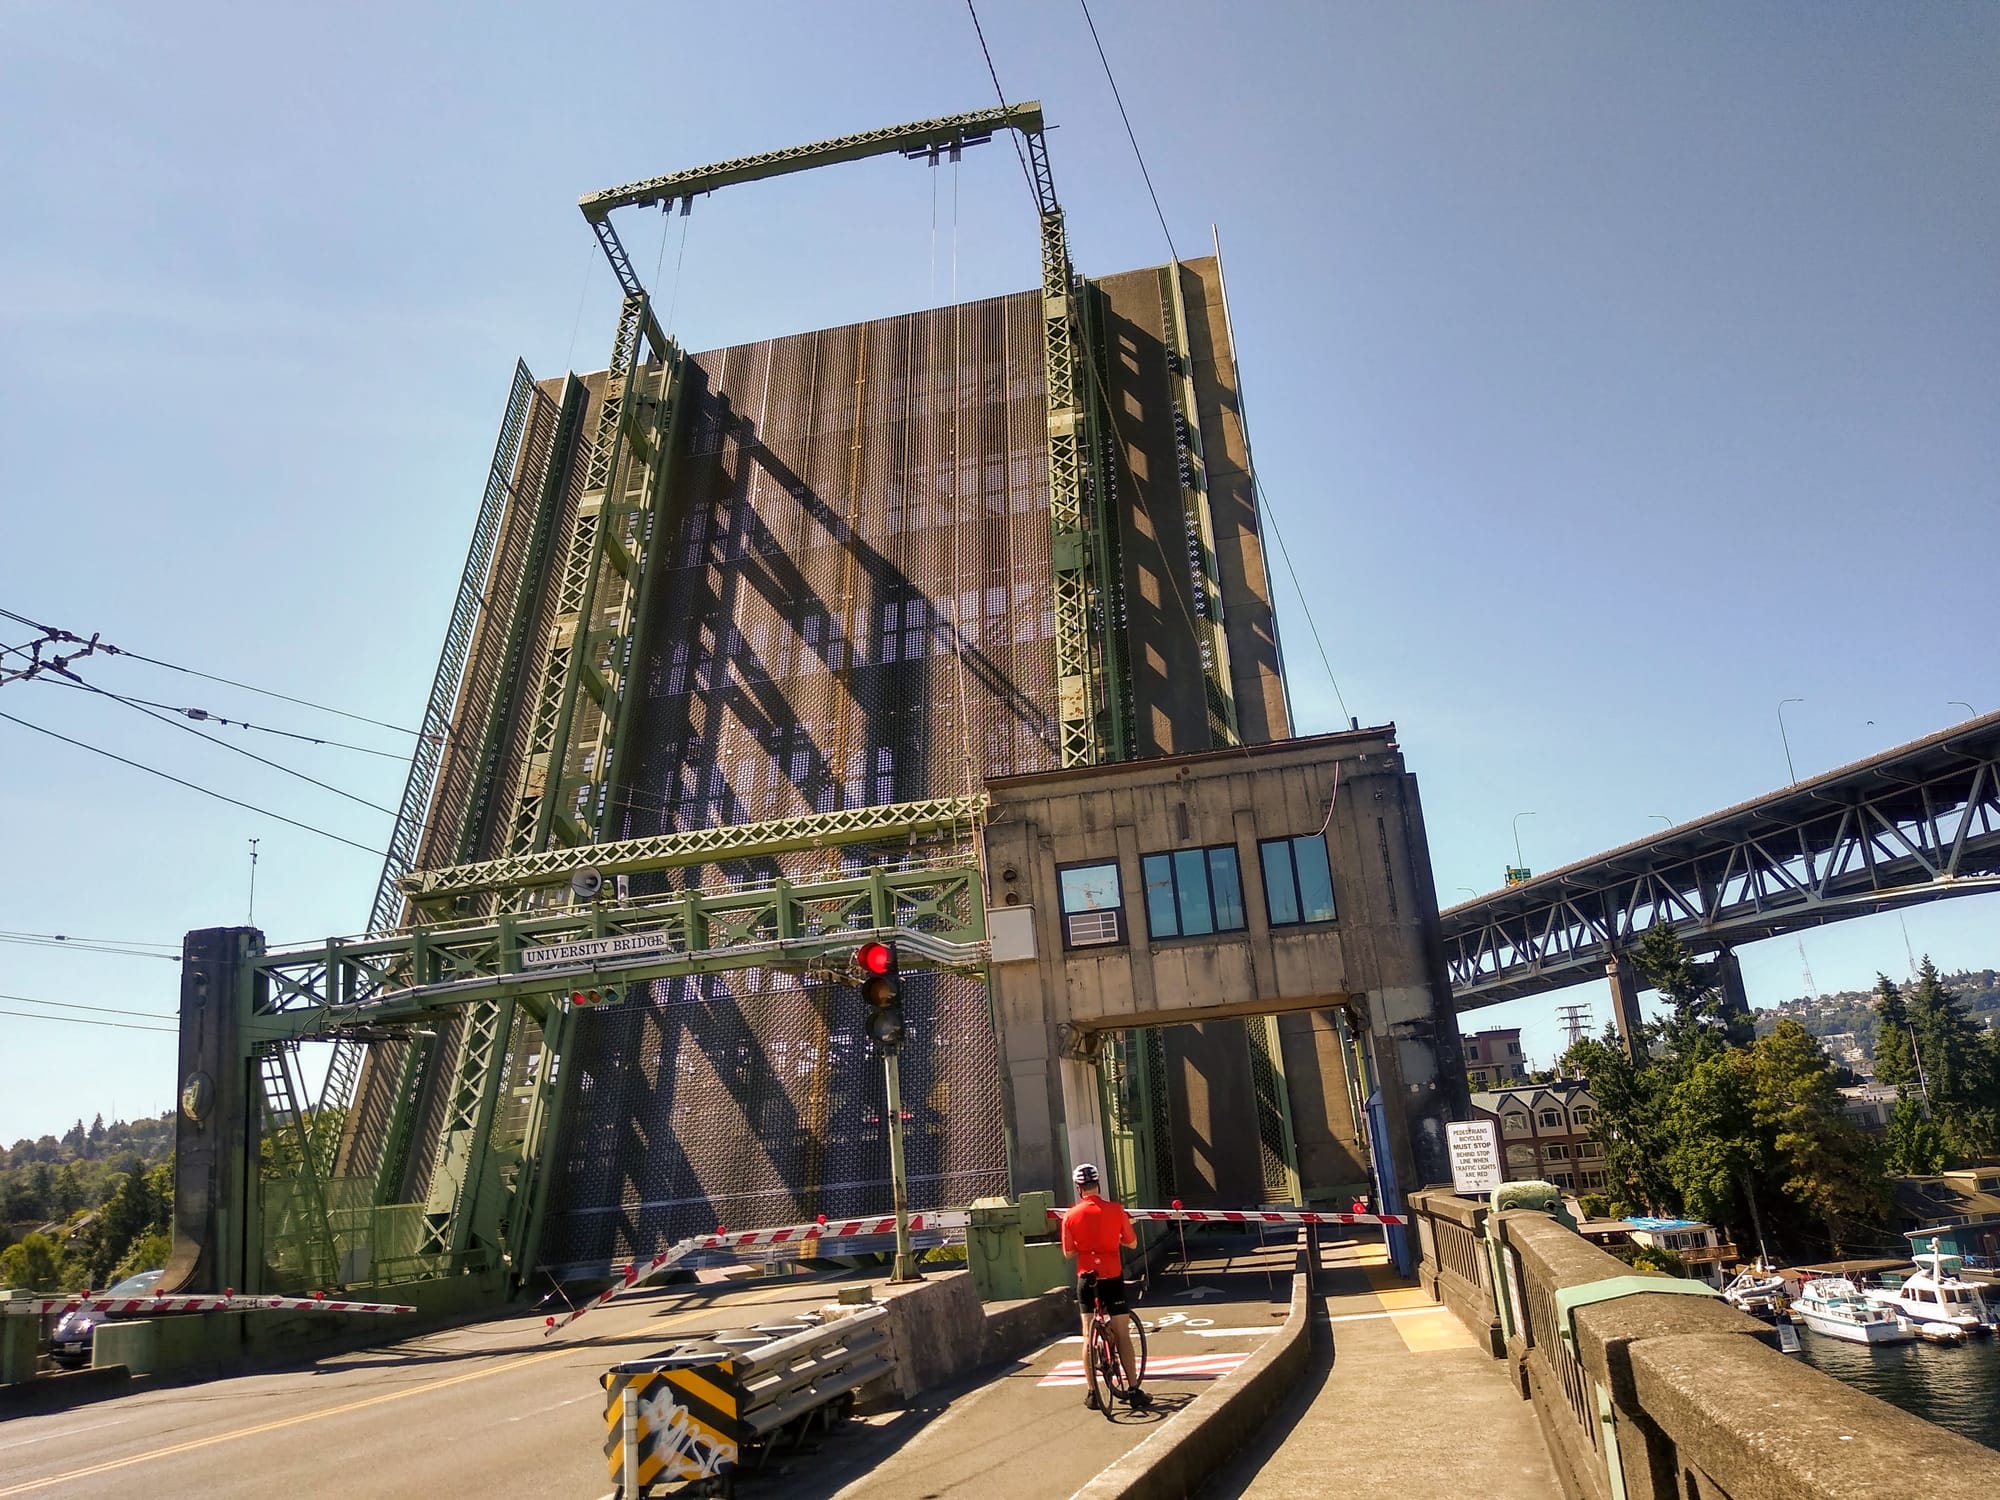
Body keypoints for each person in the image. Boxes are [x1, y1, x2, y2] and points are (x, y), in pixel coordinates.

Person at [1060, 1163, 1150, 1410]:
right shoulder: (1115, 1210)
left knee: (1087, 1336)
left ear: (1079, 1188)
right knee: (1122, 1333)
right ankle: (1133, 1390)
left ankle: (1092, 1393)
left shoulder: (1070, 1216)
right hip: (1111, 1276)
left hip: (1086, 1278)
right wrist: (1114, 1239)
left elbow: (1068, 1252)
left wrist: (1086, 1247)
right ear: (1098, 1184)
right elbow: (1132, 1243)